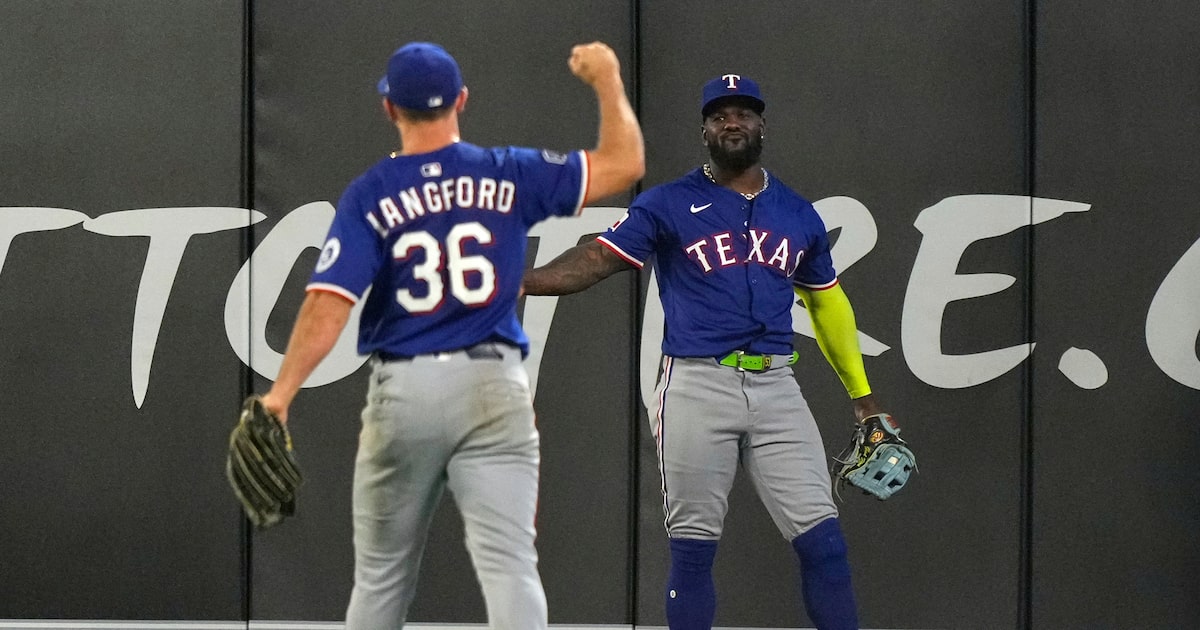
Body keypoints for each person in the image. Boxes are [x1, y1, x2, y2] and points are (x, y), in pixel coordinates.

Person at [257, 41, 643, 629]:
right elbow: (624, 163)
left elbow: (328, 304)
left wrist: (280, 395)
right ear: (461, 100)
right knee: (512, 569)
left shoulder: (374, 192)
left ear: (390, 109)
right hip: (494, 385)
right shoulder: (507, 172)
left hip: (405, 389)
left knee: (382, 578)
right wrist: (608, 79)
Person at [522, 74, 885, 630]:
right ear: (705, 130)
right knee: (693, 552)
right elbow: (595, 257)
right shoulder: (667, 203)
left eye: (742, 113)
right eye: (719, 115)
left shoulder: (797, 213)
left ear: (763, 124)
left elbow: (828, 308)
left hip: (776, 385)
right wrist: (520, 282)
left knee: (825, 544)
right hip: (695, 385)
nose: (731, 122)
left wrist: (863, 399)